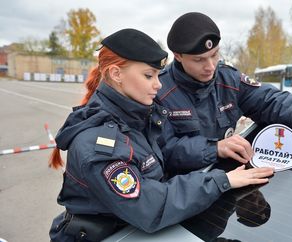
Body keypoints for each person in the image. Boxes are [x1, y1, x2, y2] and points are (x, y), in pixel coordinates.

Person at [48, 28, 274, 242]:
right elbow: (150, 206)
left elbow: (168, 154)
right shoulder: (99, 145)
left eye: (158, 75)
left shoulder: (137, 117)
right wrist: (220, 181)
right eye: (149, 76)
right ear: (116, 74)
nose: (158, 85)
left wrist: (215, 149)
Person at [156, 12, 292, 173]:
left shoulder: (228, 80)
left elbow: (270, 101)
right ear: (178, 55)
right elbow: (162, 150)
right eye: (199, 60)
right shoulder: (157, 90)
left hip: (228, 183)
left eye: (215, 54)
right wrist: (215, 148)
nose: (210, 66)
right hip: (183, 193)